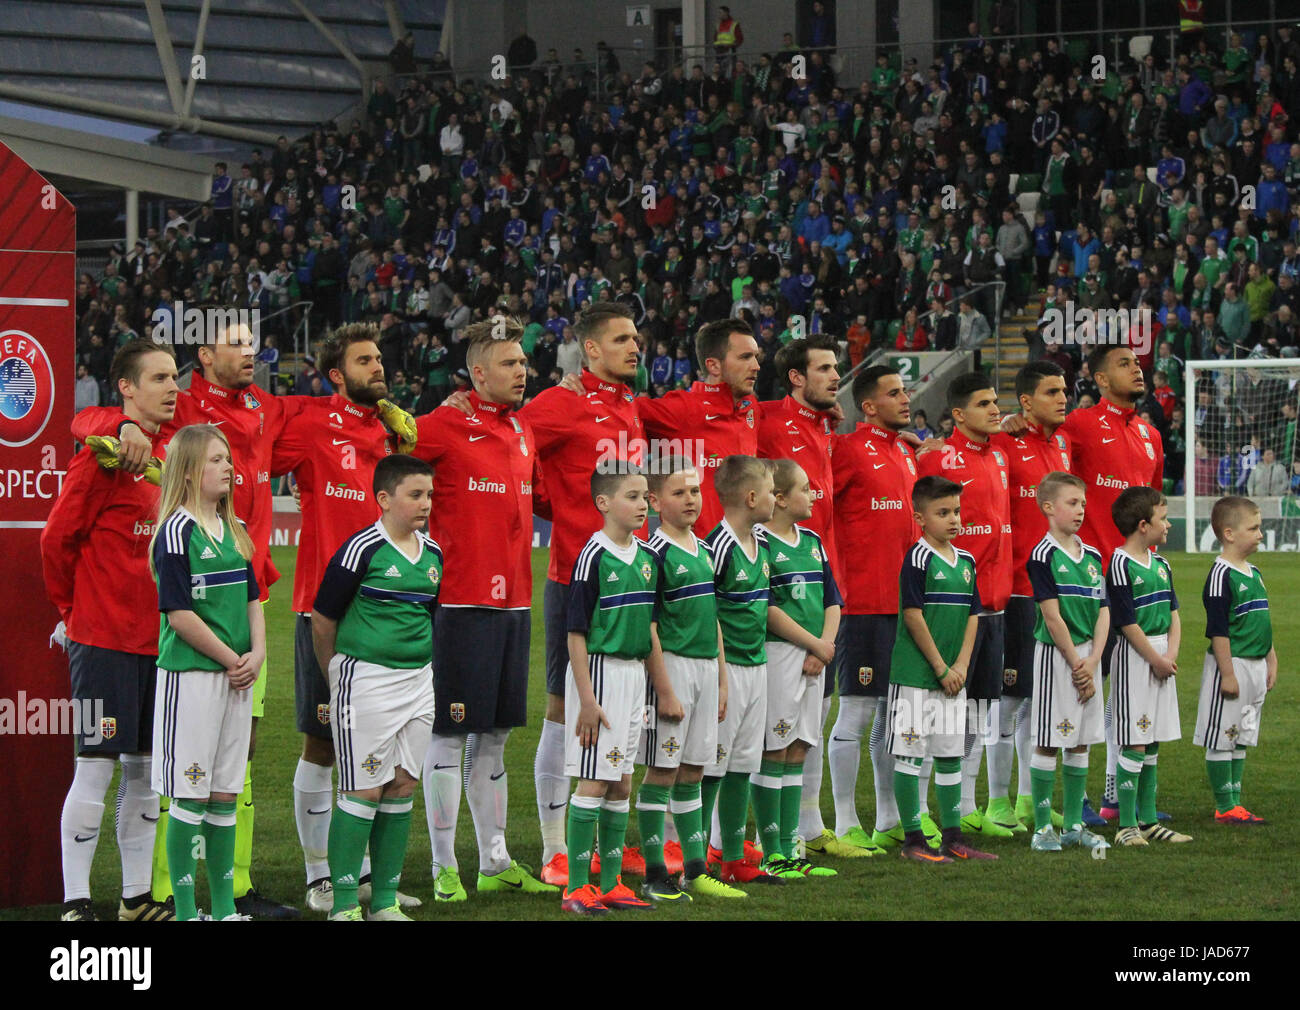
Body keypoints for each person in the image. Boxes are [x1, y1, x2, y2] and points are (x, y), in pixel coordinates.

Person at [73, 318, 322, 919]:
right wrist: (126, 423)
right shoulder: (178, 407)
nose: (250, 353)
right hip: (160, 637)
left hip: (243, 611)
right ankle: (157, 894)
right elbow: (90, 419)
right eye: (235, 343)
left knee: (238, 759)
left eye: (254, 343)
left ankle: (231, 888)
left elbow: (336, 411)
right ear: (204, 356)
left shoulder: (267, 410)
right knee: (151, 769)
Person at [270, 324, 418, 913]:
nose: (377, 367)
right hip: (326, 612)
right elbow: (252, 450)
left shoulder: (390, 431)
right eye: (364, 360)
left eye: (379, 357)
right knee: (322, 744)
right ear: (337, 374)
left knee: (381, 751)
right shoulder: (309, 421)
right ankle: (318, 875)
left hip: (388, 613)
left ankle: (365, 877)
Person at [411, 318, 556, 901]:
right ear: (476, 373)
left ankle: (494, 860)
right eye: (509, 363)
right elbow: (385, 463)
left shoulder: (521, 429)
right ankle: (444, 865)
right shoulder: (440, 426)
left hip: (515, 601)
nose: (522, 372)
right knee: (449, 734)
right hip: (460, 603)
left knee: (494, 737)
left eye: (524, 362)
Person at [43, 340, 179, 922]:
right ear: (126, 387)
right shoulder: (103, 456)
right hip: (102, 640)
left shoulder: (175, 454)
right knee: (95, 766)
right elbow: (56, 540)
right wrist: (73, 614)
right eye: (159, 378)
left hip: (161, 642)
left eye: (175, 377)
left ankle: (135, 899)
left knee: (146, 774)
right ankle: (75, 902)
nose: (174, 388)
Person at [517, 302, 648, 886]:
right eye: (622, 339)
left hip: (637, 578)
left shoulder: (630, 407)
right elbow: (513, 450)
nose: (635, 347)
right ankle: (554, 849)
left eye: (637, 338)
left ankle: (608, 842)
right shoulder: (558, 404)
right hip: (579, 576)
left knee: (626, 707)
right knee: (563, 709)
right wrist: (562, 511)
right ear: (590, 348)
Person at [311, 456, 442, 920]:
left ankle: (384, 901)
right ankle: (344, 905)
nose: (425, 503)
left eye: (429, 494)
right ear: (384, 499)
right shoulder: (361, 549)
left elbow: (426, 616)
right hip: (365, 680)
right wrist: (337, 676)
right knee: (363, 789)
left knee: (403, 785)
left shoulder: (432, 554)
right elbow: (323, 617)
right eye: (415, 494)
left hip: (418, 683)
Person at [150, 424, 263, 920]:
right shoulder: (177, 530)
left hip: (237, 678)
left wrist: (256, 653)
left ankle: (222, 911)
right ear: (192, 470)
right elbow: (178, 613)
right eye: (217, 459)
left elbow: (253, 599)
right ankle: (185, 912)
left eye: (229, 459)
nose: (228, 468)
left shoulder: (234, 529)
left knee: (223, 796)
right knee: (190, 797)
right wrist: (231, 658)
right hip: (193, 679)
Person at [1057, 344, 1163, 824]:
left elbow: (1151, 507)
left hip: (1141, 579)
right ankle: (1073, 795)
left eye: (1137, 363)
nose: (1136, 368)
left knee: (1134, 693)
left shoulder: (1149, 434)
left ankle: (1118, 796)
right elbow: (1048, 467)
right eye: (1124, 363)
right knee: (1083, 690)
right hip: (1093, 578)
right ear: (1099, 379)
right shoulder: (1077, 425)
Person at [754, 335, 852, 857]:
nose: (836, 376)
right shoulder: (765, 418)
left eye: (837, 368)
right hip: (779, 595)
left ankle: (808, 827)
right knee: (777, 729)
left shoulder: (828, 426)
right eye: (825, 368)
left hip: (820, 585)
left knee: (814, 718)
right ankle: (765, 837)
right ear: (796, 376)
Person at [638, 458, 744, 900]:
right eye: (679, 493)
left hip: (705, 668)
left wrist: (721, 680)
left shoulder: (703, 548)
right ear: (655, 501)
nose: (689, 500)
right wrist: (664, 688)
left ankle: (695, 870)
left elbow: (714, 620)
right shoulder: (654, 554)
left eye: (695, 491)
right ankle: (654, 871)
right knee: (663, 771)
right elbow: (649, 625)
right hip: (674, 669)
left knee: (695, 770)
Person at [828, 366, 922, 853]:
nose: (905, 399)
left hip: (905, 605)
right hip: (863, 602)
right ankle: (845, 821)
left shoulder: (904, 452)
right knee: (857, 712)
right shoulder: (845, 451)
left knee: (892, 713)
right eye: (894, 393)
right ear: (868, 406)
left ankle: (888, 816)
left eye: (905, 391)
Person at [916, 372, 1014, 841]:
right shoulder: (937, 456)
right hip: (947, 606)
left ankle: (967, 805)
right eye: (984, 403)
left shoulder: (998, 453)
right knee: (931, 714)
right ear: (958, 414)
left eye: (997, 402)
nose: (995, 410)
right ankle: (916, 812)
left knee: (979, 712)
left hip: (992, 605)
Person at [559, 464, 659, 915]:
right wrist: (586, 699)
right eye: (633, 497)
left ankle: (612, 882)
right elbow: (575, 632)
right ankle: (576, 887)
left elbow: (650, 628)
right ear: (603, 503)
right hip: (599, 673)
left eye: (644, 497)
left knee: (621, 782)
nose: (643, 505)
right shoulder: (593, 555)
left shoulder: (645, 556)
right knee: (595, 781)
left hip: (633, 675)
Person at [887, 475, 997, 863]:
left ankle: (952, 838)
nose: (953, 520)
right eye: (943, 513)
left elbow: (974, 614)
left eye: (956, 511)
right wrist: (939, 665)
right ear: (920, 518)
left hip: (953, 678)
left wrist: (961, 665)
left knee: (951, 754)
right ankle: (913, 841)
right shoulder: (917, 558)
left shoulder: (965, 562)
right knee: (910, 754)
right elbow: (913, 615)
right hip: (917, 676)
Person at [988, 361, 1072, 832]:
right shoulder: (1003, 442)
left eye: (1064, 390)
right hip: (1017, 589)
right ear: (1025, 402)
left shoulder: (1061, 444)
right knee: (1009, 698)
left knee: (1040, 700)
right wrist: (1002, 424)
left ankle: (1026, 798)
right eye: (1051, 391)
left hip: (1056, 590)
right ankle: (997, 801)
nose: (1062, 398)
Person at [756, 459, 842, 877]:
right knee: (774, 747)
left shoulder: (812, 541)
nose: (813, 495)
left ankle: (790, 842)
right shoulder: (760, 544)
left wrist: (824, 645)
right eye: (805, 489)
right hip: (779, 655)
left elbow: (833, 600)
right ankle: (769, 847)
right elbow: (766, 609)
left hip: (816, 656)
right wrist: (813, 644)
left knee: (800, 746)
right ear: (781, 498)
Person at [702, 455, 781, 886]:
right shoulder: (718, 547)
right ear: (751, 497)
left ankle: (732, 857)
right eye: (771, 491)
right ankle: (699, 859)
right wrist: (717, 675)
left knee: (742, 766)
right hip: (726, 668)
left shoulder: (762, 543)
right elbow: (706, 611)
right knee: (712, 766)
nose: (775, 498)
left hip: (758, 667)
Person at [1024, 472, 1111, 853]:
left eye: (1082, 503)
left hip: (1089, 658)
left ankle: (1074, 824)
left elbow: (1104, 610)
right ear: (1048, 507)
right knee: (1048, 740)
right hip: (1058, 659)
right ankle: (1043, 827)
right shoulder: (1042, 555)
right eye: (1072, 503)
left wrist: (1094, 660)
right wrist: (1078, 662)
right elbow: (1052, 616)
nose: (1080, 510)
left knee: (1081, 741)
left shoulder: (1091, 555)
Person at [1105, 486, 1192, 846]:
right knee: (1135, 741)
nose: (1168, 524)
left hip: (1160, 657)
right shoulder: (1120, 563)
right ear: (1143, 525)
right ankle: (1127, 825)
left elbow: (1174, 614)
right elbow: (1125, 621)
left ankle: (1149, 820)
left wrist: (1170, 653)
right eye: (1163, 518)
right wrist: (1155, 658)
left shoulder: (1162, 564)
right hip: (1134, 656)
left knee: (1153, 739)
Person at [1193, 496, 1277, 825]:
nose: (1260, 533)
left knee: (1242, 734)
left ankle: (1235, 802)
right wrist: (1227, 674)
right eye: (1253, 528)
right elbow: (1218, 631)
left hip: (1255, 665)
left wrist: (1271, 660)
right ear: (1229, 533)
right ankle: (1224, 805)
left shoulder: (1254, 572)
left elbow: (1262, 620)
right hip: (1233, 666)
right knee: (1222, 735)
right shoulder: (1221, 575)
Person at [638, 319, 762, 536]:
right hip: (699, 560)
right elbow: (615, 406)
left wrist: (823, 409)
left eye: (756, 357)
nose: (756, 366)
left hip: (748, 557)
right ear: (713, 365)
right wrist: (577, 386)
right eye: (745, 357)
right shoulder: (682, 409)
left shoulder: (751, 408)